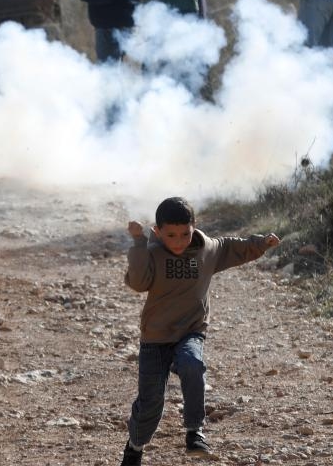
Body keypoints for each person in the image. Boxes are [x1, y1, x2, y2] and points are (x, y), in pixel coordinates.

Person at [119, 197, 281, 465]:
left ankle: (195, 431)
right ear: (157, 232)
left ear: (194, 227)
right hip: (155, 338)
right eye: (171, 235)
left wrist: (262, 243)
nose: (179, 240)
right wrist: (137, 243)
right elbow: (137, 282)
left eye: (185, 233)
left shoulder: (206, 249)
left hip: (191, 331)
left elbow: (232, 247)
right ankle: (134, 447)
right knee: (150, 403)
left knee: (192, 364)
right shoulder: (152, 253)